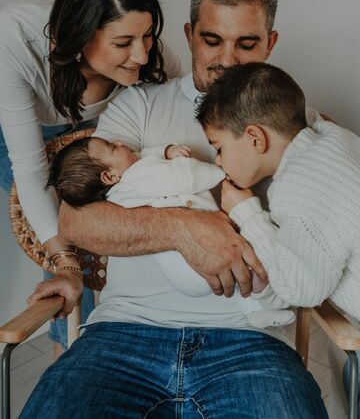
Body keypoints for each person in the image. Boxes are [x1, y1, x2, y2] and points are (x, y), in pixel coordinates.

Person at [21, 0, 327, 418]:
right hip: (121, 337)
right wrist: (185, 229)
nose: (229, 60)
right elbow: (77, 221)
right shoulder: (138, 104)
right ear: (188, 34)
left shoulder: (298, 125)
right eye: (212, 40)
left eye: (247, 43)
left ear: (271, 43)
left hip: (250, 345)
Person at [0, 0, 174, 355]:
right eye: (123, 43)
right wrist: (64, 262)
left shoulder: (147, 57)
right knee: (67, 231)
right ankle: (72, 351)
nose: (143, 55)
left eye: (147, 35)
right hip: (16, 129)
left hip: (95, 131)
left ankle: (121, 337)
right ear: (79, 37)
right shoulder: (13, 38)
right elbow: (31, 171)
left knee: (111, 216)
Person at [47, 135, 293, 328]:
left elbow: (145, 157)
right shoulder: (138, 175)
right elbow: (183, 176)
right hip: (197, 260)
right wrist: (221, 173)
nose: (120, 143)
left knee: (239, 278)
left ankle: (257, 313)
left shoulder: (120, 189)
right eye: (113, 147)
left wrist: (165, 151)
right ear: (109, 175)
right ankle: (273, 300)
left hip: (182, 273)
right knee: (249, 264)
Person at [197, 61, 360, 322]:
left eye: (219, 148)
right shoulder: (336, 139)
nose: (218, 161)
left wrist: (247, 214)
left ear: (255, 139)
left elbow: (300, 289)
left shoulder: (300, 186)